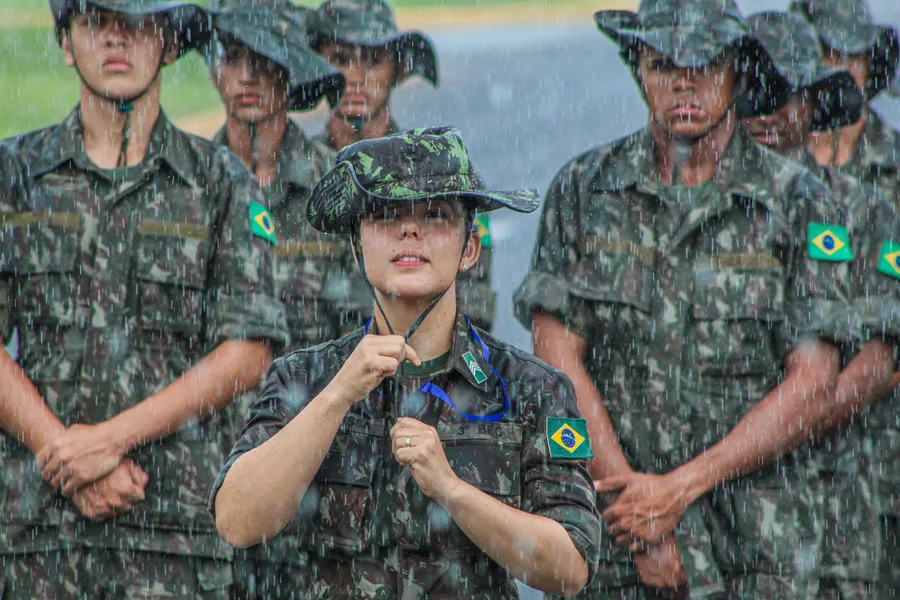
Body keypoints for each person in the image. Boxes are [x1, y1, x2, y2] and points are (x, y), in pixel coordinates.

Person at [515, 0, 854, 597]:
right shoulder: (583, 189)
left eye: (706, 62)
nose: (685, 82)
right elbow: (556, 359)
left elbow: (814, 382)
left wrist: (679, 490)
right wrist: (642, 522)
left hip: (754, 544)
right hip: (613, 540)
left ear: (739, 70)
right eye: (663, 63)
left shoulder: (799, 202)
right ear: (637, 69)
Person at [210, 127, 601, 598]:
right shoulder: (304, 378)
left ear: (469, 249)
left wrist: (453, 491)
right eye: (385, 214)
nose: (410, 230)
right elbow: (236, 520)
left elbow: (571, 565)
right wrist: (338, 396)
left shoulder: (530, 389)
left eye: (436, 214)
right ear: (356, 246)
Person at [0, 1, 288, 597]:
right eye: (93, 22)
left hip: (172, 537)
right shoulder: (13, 175)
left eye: (136, 24)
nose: (115, 39)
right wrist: (65, 456)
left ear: (170, 44)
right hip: (38, 538)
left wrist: (107, 441)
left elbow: (247, 354)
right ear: (63, 43)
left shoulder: (219, 181)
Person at [742, 11, 899, 598]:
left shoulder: (861, 209)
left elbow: (879, 361)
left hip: (835, 504)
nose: (767, 112)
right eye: (753, 92)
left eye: (784, 95)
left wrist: (764, 436)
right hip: (710, 522)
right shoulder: (689, 208)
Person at [203, 3, 358, 597]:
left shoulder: (339, 187)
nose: (245, 76)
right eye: (232, 58)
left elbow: (371, 332)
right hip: (205, 474)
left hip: (321, 477)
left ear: (290, 72)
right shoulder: (189, 183)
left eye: (263, 61)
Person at [789, 1, 900, 594]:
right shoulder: (772, 168)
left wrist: (803, 414)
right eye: (821, 53)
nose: (835, 67)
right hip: (778, 474)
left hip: (881, 458)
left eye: (847, 53)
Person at [306, 0, 497, 332]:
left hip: (417, 374)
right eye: (339, 59)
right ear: (316, 66)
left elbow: (472, 313)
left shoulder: (443, 176)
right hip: (307, 380)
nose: (355, 76)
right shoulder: (288, 175)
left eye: (373, 61)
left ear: (399, 70)